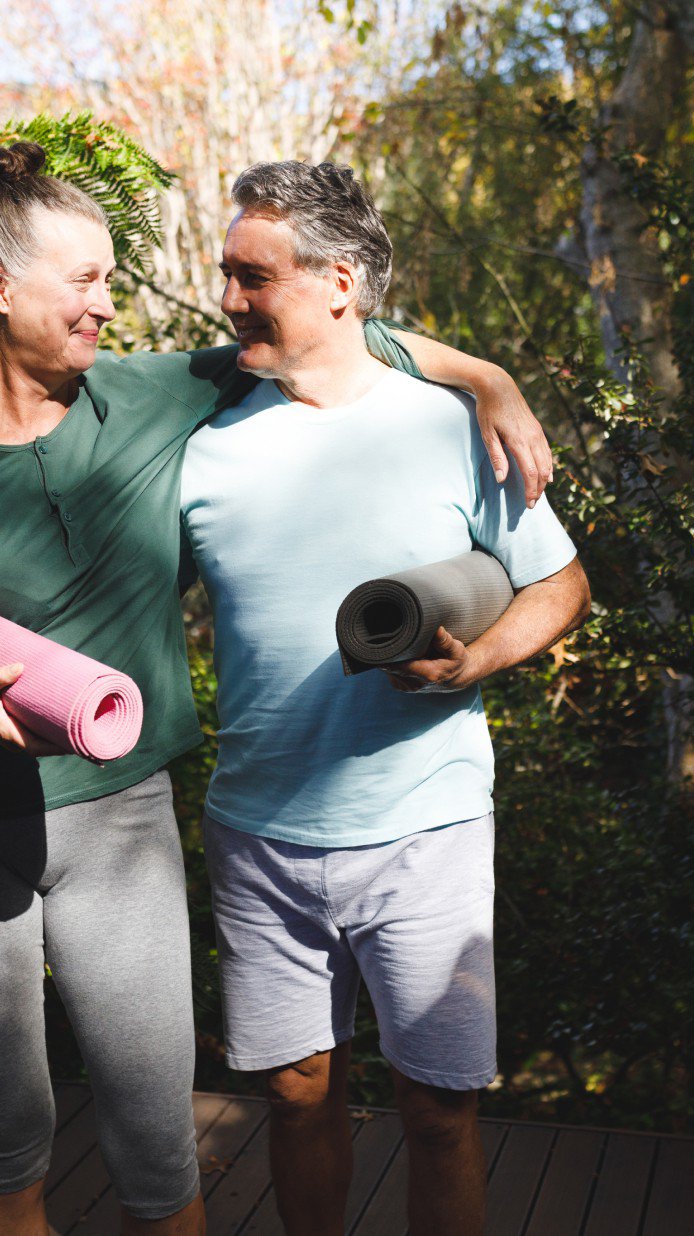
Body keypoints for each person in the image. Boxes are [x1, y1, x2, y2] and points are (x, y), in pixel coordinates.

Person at [0, 142, 552, 1236]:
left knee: (162, 1151)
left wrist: (490, 378)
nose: (110, 305)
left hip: (121, 824)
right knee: (6, 1140)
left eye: (112, 278)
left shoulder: (153, 399)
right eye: (86, 282)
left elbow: (328, 334)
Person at [179, 160, 592, 1236]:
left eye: (251, 275)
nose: (228, 298)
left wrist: (480, 659)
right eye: (226, 272)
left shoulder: (453, 426)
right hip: (258, 833)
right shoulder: (202, 450)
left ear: (340, 282)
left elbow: (563, 583)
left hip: (428, 828)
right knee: (296, 1093)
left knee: (439, 1109)